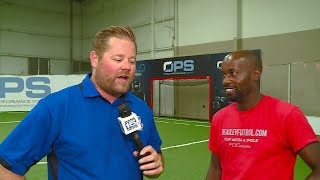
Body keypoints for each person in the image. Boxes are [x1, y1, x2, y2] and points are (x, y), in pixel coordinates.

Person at [0, 26, 164, 179]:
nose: (127, 66)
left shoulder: (141, 108)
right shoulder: (56, 107)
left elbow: (156, 155)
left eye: (132, 61)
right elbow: (6, 167)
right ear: (95, 59)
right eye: (118, 59)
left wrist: (157, 164)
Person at [206, 50, 320, 179]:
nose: (225, 81)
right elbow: (215, 169)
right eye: (223, 75)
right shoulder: (220, 118)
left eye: (233, 73)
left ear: (256, 74)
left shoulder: (287, 115)